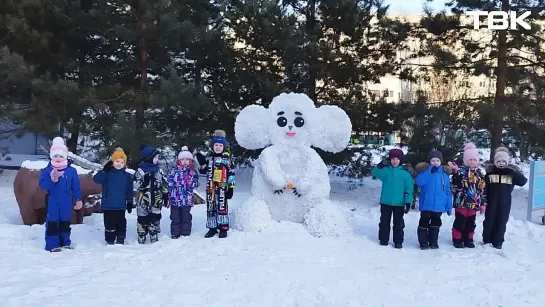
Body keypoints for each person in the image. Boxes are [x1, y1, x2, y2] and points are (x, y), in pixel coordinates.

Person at [38, 137, 82, 252]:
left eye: (61, 156)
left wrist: (78, 199)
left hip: (66, 200)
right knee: (52, 221)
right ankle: (52, 244)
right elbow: (42, 185)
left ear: (65, 156)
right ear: (51, 156)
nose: (58, 158)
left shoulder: (71, 171)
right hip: (52, 199)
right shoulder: (47, 170)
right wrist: (52, 179)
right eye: (55, 156)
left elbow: (76, 186)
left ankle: (65, 242)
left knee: (65, 221)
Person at [483, 147, 527, 249]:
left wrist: (514, 172)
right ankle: (487, 238)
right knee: (489, 220)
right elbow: (484, 187)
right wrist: (483, 200)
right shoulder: (490, 174)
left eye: (504, 161)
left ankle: (498, 241)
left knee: (502, 221)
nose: (501, 163)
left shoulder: (511, 174)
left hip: (505, 202)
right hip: (491, 202)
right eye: (499, 161)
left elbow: (523, 182)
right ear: (495, 162)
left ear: (507, 162)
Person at [372, 148, 414, 249]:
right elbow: (375, 173)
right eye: (393, 158)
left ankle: (398, 241)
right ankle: (383, 239)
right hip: (386, 202)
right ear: (390, 160)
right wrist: (379, 166)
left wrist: (408, 202)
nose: (395, 161)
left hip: (399, 203)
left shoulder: (405, 174)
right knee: (384, 222)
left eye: (397, 159)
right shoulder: (386, 171)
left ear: (401, 160)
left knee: (398, 223)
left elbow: (409, 189)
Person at [448, 143, 486, 248]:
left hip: (474, 203)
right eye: (470, 159)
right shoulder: (460, 171)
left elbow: (482, 189)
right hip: (461, 202)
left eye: (474, 159)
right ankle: (457, 238)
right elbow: (455, 184)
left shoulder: (480, 174)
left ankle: (468, 239)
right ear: (465, 160)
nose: (472, 162)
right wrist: (456, 172)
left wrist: (483, 203)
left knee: (471, 223)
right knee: (460, 221)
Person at [93, 148, 133, 245]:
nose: (119, 164)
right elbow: (96, 179)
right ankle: (110, 240)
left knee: (121, 224)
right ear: (112, 162)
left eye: (121, 162)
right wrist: (104, 171)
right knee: (109, 224)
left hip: (120, 205)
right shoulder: (107, 174)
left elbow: (129, 190)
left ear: (124, 164)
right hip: (108, 205)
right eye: (117, 161)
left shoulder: (127, 176)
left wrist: (130, 201)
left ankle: (120, 239)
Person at [200, 130, 235, 238]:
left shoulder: (226, 160)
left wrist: (231, 187)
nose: (218, 147)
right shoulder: (209, 158)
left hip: (223, 189)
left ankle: (223, 228)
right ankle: (212, 228)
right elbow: (203, 170)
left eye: (220, 145)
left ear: (223, 147)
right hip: (210, 188)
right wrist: (202, 165)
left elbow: (232, 174)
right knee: (211, 207)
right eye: (216, 145)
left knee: (222, 207)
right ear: (212, 146)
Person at [414, 150, 452, 249]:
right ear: (429, 162)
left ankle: (433, 241)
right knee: (424, 223)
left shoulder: (445, 175)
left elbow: (447, 191)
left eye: (437, 160)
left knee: (436, 223)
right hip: (427, 204)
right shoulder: (425, 173)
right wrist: (429, 172)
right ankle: (423, 242)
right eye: (433, 160)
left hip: (439, 205)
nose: (435, 162)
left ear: (441, 162)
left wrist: (448, 205)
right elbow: (419, 182)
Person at [133, 144, 169, 244]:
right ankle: (141, 234)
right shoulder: (140, 171)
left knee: (155, 217)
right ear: (148, 158)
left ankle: (154, 234)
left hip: (157, 198)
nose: (157, 159)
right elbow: (135, 185)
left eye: (158, 157)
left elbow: (164, 183)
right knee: (142, 217)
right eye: (155, 157)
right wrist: (143, 183)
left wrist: (166, 195)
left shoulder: (159, 170)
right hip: (143, 198)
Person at [168, 146, 200, 238]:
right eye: (183, 159)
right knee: (175, 217)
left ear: (191, 161)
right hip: (175, 199)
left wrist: (190, 180)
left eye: (187, 159)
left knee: (186, 216)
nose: (185, 161)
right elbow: (170, 183)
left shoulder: (192, 172)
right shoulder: (174, 171)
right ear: (179, 161)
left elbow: (195, 184)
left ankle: (185, 232)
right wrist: (169, 196)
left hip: (186, 199)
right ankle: (175, 233)